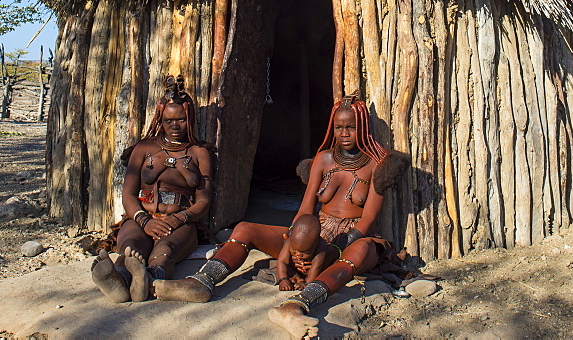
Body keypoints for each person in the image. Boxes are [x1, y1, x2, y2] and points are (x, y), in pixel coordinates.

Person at [154, 96, 399, 339]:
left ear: (364, 128)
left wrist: (336, 248)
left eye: (351, 127)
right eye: (339, 127)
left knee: (365, 249)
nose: (344, 133)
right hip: (316, 233)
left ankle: (296, 306)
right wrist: (294, 240)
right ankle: (202, 281)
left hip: (351, 240)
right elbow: (305, 208)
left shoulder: (378, 164)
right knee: (245, 229)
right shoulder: (324, 159)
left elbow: (368, 219)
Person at [91, 75, 213, 303]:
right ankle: (120, 281)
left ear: (190, 119)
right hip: (142, 216)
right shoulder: (144, 148)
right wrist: (144, 220)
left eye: (181, 120)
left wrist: (179, 219)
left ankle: (147, 278)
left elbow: (203, 201)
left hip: (180, 221)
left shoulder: (199, 153)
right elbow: (128, 193)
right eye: (168, 121)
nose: (175, 126)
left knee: (165, 250)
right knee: (131, 246)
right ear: (160, 120)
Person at [275, 213, 336, 291]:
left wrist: (306, 282)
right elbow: (282, 261)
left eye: (305, 253)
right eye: (293, 250)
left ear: (316, 244)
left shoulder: (321, 246)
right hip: (296, 268)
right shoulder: (289, 241)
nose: (298, 255)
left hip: (311, 271)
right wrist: (283, 279)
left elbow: (317, 267)